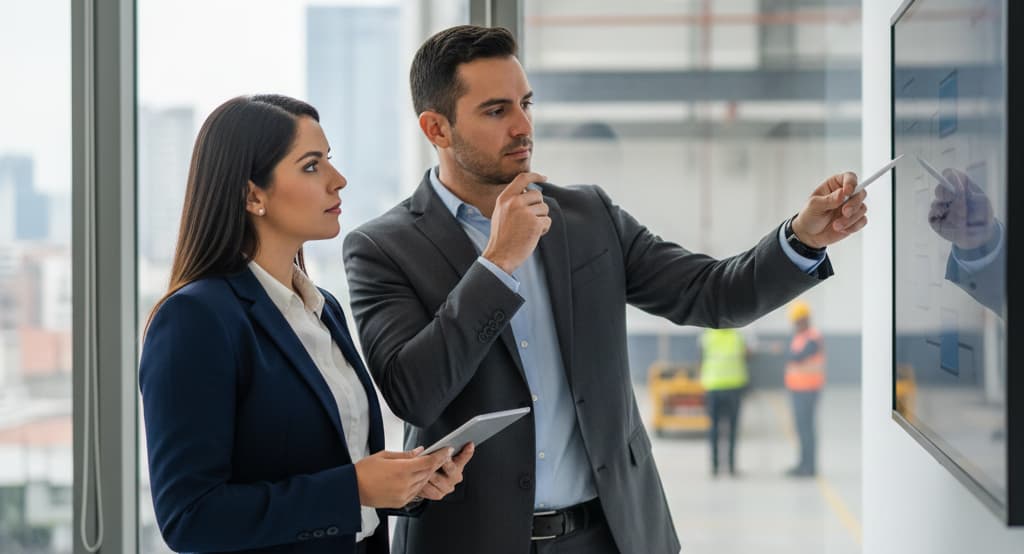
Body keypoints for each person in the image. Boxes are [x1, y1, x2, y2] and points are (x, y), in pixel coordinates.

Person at [342, 25, 868, 554]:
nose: (524, 126)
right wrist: (499, 262)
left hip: (610, 535)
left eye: (526, 104)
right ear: (436, 129)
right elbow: (413, 391)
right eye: (497, 111)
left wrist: (801, 238)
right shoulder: (381, 247)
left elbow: (711, 293)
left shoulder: (586, 216)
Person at [139, 94, 473, 554]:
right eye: (312, 166)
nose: (338, 181)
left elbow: (335, 470)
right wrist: (354, 488)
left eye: (329, 161)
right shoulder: (195, 319)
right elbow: (189, 517)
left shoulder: (323, 308)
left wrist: (405, 485)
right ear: (252, 194)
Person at [698, 328, 750, 477]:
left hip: (713, 386)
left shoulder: (707, 336)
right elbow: (746, 356)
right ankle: (732, 467)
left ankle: (714, 467)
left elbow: (701, 360)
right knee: (732, 429)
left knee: (714, 428)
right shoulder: (737, 336)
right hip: (733, 387)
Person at [784, 300, 825, 478]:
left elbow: (797, 357)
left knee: (806, 429)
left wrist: (788, 354)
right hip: (797, 389)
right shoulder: (801, 336)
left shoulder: (813, 338)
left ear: (803, 319)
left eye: (796, 321)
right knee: (801, 429)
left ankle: (809, 467)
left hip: (808, 390)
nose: (795, 325)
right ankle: (803, 464)